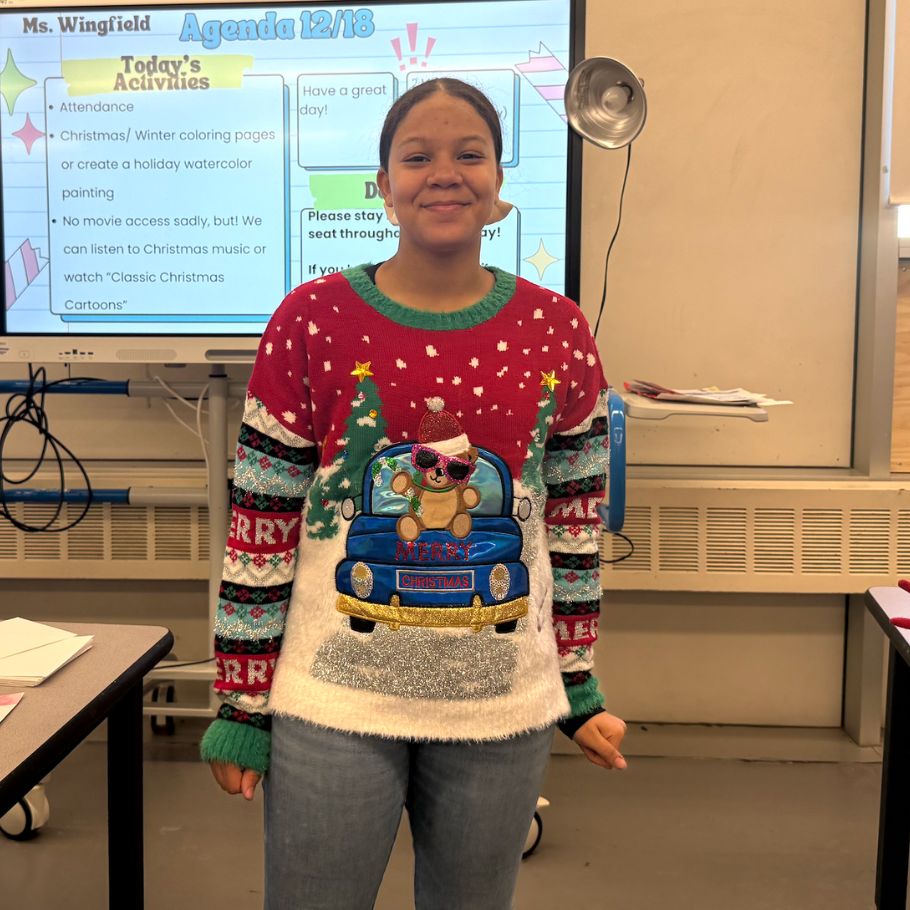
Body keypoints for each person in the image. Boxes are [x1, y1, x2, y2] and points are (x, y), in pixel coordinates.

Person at [201, 77, 627, 910]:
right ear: (384, 184)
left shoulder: (558, 328)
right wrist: (242, 703)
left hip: (503, 709)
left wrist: (577, 684)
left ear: (498, 180)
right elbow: (262, 518)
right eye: (417, 156)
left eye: (470, 153)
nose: (445, 173)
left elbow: (573, 528)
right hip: (331, 704)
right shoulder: (311, 318)